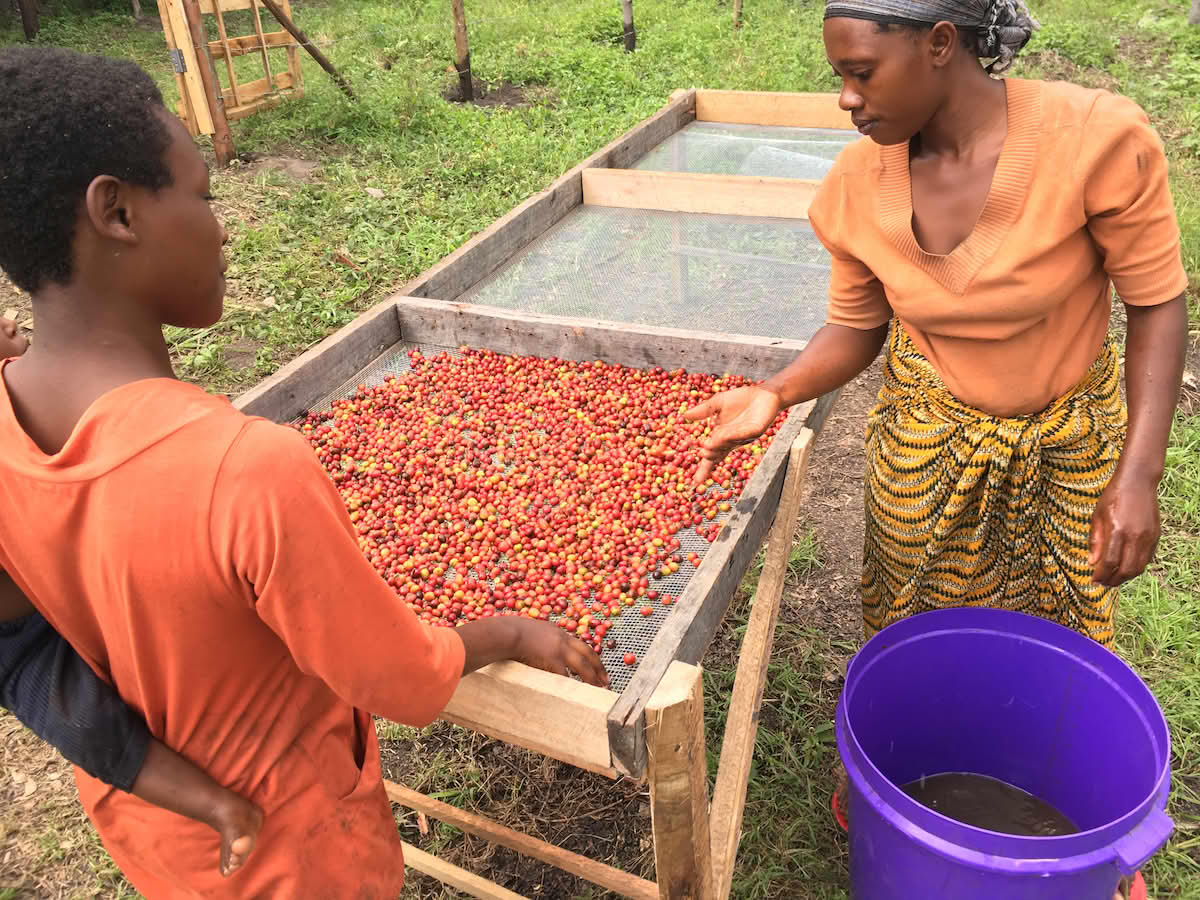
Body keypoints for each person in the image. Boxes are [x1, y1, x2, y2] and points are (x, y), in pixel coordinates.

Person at [0, 45, 607, 898]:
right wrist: (506, 632)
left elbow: (20, 643)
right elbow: (392, 675)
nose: (222, 225)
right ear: (118, 213)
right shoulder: (242, 471)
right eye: (202, 194)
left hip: (160, 831)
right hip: (293, 846)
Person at [685, 2, 1186, 899]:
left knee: (1064, 625)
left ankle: (1069, 814)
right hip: (932, 433)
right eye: (839, 75)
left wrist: (1138, 473)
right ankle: (902, 779)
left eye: (863, 73)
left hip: (1068, 436)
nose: (845, 98)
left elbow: (1154, 303)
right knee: (915, 615)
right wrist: (778, 390)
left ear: (942, 46)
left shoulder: (1094, 140)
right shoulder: (853, 187)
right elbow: (855, 324)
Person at [2, 325, 264, 877]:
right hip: (24, 641)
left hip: (80, 584)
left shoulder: (42, 402)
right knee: (90, 725)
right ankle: (217, 807)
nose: (8, 320)